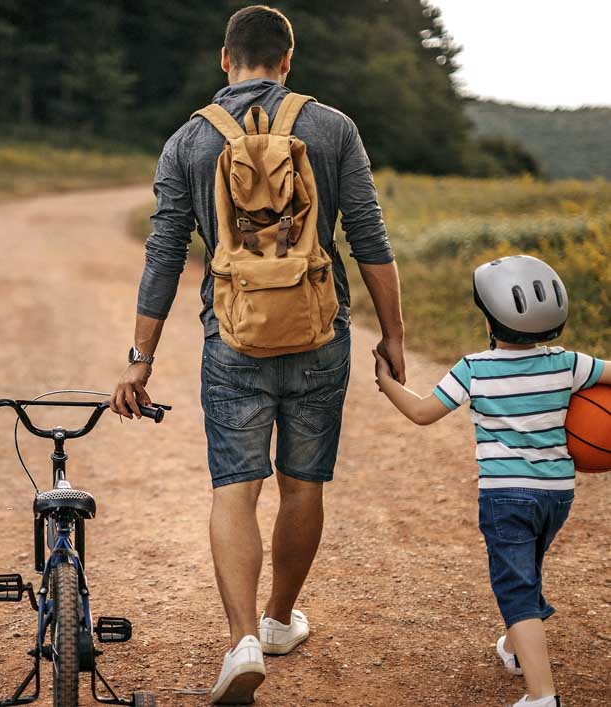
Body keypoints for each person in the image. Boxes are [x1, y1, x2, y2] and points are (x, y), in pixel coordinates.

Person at [109, 5, 405, 702]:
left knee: (234, 487)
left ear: (224, 60)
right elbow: (368, 237)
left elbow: (163, 253)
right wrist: (391, 333)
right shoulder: (331, 127)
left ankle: (242, 638)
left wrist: (138, 356)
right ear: (286, 61)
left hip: (232, 337)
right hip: (318, 333)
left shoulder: (189, 140)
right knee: (302, 483)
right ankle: (278, 619)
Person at [372, 255, 609, 707]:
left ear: (490, 320)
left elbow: (423, 412)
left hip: (505, 496)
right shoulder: (568, 363)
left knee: (515, 585)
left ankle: (542, 696)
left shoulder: (474, 368)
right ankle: (518, 649)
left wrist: (386, 382)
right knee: (527, 569)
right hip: (558, 495)